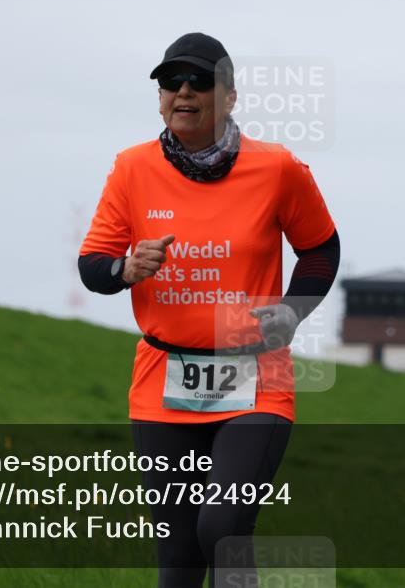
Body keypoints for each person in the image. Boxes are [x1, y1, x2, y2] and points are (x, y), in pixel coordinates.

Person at [78, 33, 340, 588]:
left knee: (221, 528)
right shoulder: (132, 168)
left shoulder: (277, 169)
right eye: (171, 82)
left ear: (230, 96)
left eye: (200, 81)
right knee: (177, 555)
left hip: (255, 378)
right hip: (162, 381)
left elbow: (320, 247)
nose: (184, 91)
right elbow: (92, 265)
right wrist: (124, 270)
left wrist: (292, 312)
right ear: (159, 96)